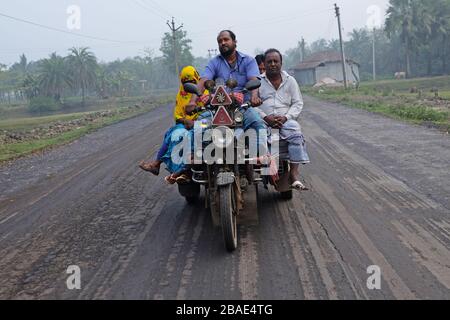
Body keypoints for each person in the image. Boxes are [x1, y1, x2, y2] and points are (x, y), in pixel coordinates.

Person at [186, 30, 268, 156]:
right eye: (219, 41)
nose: (222, 43)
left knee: (257, 123)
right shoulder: (214, 62)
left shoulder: (248, 61)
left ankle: (261, 159)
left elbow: (254, 80)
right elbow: (203, 81)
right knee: (198, 126)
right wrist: (192, 101)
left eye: (225, 39)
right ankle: (192, 164)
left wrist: (254, 97)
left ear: (235, 42)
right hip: (216, 109)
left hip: (242, 108)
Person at [139, 66, 206, 184]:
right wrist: (186, 121)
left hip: (203, 123)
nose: (188, 85)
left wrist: (196, 121)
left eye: (191, 81)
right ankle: (162, 165)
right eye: (185, 82)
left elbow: (210, 113)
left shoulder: (205, 92)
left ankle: (166, 167)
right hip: (185, 124)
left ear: (197, 79)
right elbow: (178, 115)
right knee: (173, 134)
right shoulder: (181, 94)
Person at [257, 48, 310, 190]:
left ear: (281, 63)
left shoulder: (290, 81)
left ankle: (293, 173)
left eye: (276, 61)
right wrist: (266, 117)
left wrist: (286, 117)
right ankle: (258, 174)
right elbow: (252, 105)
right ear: (264, 63)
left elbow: (298, 103)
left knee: (296, 130)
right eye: (269, 61)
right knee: (254, 139)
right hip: (264, 122)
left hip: (286, 121)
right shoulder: (257, 82)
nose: (273, 64)